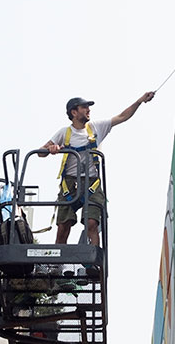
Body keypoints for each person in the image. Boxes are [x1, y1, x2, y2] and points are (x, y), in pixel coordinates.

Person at [42, 92, 155, 246]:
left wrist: (140, 101)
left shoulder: (96, 128)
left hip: (91, 183)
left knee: (92, 223)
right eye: (84, 107)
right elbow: (41, 152)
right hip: (70, 184)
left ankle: (95, 262)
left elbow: (122, 117)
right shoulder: (64, 133)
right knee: (63, 226)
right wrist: (51, 149)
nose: (88, 110)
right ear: (74, 112)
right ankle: (57, 263)